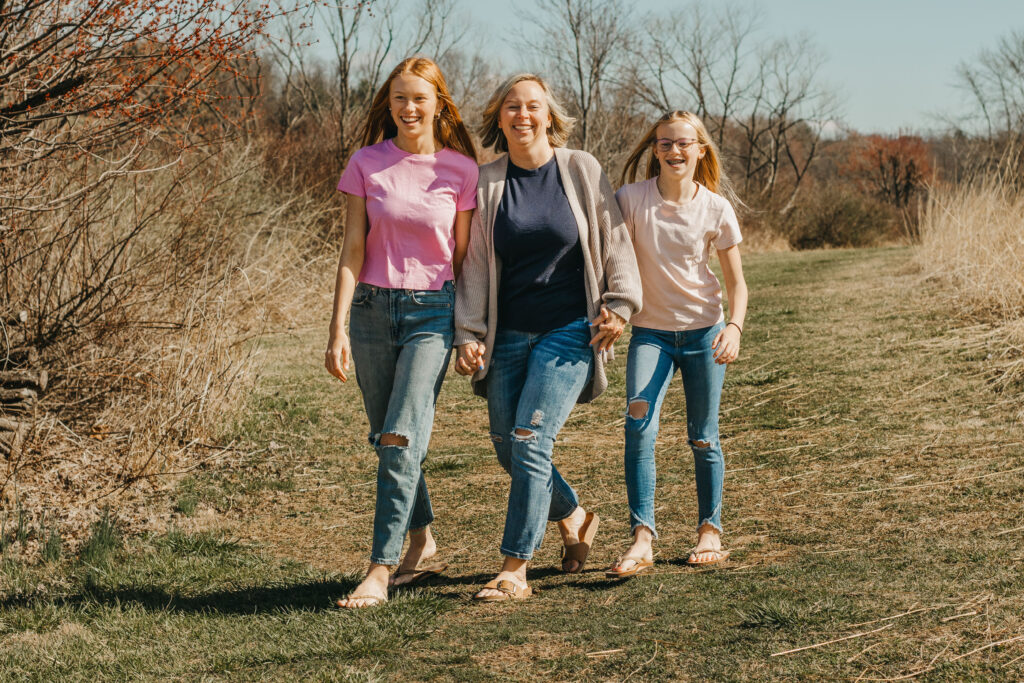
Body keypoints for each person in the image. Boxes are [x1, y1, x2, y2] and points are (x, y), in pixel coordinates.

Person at [454, 74, 642, 601]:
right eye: (511, 107)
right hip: (508, 333)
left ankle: (515, 568)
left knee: (531, 440)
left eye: (532, 106)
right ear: (498, 118)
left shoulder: (580, 168)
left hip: (570, 330)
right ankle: (576, 516)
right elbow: (473, 265)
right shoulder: (487, 180)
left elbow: (614, 241)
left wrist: (621, 306)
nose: (522, 115)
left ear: (549, 115)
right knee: (506, 448)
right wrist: (467, 332)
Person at [325, 57, 478, 608]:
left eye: (418, 98)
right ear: (388, 106)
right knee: (385, 435)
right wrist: (337, 327)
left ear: (439, 102)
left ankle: (380, 570)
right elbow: (351, 249)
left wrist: (468, 329)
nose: (408, 109)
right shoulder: (366, 163)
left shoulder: (461, 171)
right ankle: (421, 535)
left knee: (399, 437)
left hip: (431, 315)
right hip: (369, 309)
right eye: (398, 100)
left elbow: (465, 261)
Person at [605, 110, 749, 579]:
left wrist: (735, 327)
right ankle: (641, 538)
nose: (674, 151)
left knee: (703, 436)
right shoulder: (630, 200)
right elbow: (599, 247)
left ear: (700, 149)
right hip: (651, 335)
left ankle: (710, 529)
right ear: (655, 150)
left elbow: (737, 284)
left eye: (684, 143)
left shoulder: (716, 208)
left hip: (706, 334)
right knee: (638, 427)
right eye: (665, 143)